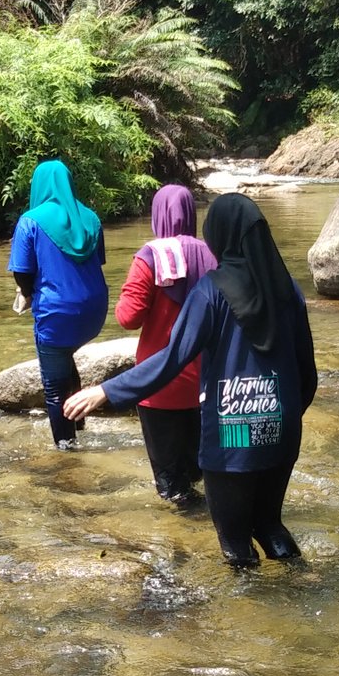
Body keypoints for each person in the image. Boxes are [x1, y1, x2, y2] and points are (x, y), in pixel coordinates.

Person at [65, 193, 316, 566]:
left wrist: (107, 389)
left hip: (231, 437)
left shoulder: (211, 291)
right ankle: (302, 586)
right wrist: (283, 417)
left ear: (219, 234)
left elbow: (171, 360)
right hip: (280, 434)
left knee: (235, 544)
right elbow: (307, 372)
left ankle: (252, 616)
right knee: (269, 525)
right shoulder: (288, 288)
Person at [116, 184, 217, 505]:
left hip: (158, 385)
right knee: (202, 471)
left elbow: (128, 318)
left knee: (171, 486)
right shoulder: (215, 253)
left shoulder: (150, 257)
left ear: (156, 215)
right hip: (207, 382)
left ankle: (183, 546)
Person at [8, 160, 110, 448]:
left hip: (58, 313)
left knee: (53, 387)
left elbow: (22, 271)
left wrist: (26, 294)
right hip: (95, 310)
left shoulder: (30, 221)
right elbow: (97, 261)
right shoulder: (90, 218)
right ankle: (79, 420)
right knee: (66, 355)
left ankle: (67, 449)